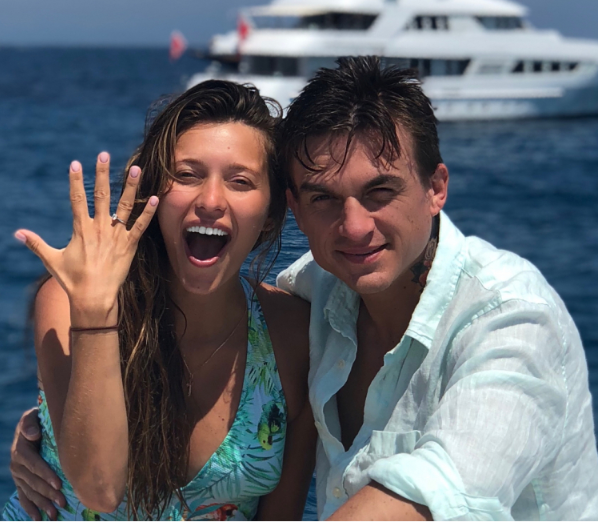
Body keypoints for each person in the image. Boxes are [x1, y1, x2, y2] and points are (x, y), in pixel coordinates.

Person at [10, 56, 599, 521]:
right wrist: (53, 422)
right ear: (295, 208)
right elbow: (98, 475)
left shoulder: (510, 320)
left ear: (436, 187)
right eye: (324, 198)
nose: (355, 227)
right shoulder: (321, 294)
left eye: (380, 192)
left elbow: (438, 491)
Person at [4, 80, 315, 521]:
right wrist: (95, 313)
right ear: (151, 194)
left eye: (240, 181)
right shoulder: (68, 303)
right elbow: (99, 489)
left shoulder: (293, 334)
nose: (211, 200)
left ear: (270, 215)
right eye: (187, 175)